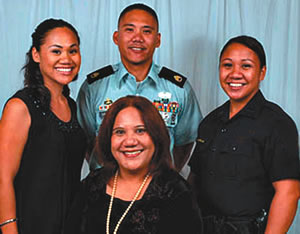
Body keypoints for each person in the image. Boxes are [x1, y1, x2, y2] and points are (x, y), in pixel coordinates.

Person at [188, 35, 300, 233]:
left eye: (246, 66)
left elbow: (288, 192)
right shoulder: (210, 122)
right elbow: (195, 179)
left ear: (262, 72)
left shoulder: (277, 124)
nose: (235, 74)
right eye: (227, 65)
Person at [77, 3, 202, 178]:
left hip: (159, 192)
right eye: (129, 30)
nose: (138, 38)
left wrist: (164, 175)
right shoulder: (94, 87)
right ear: (116, 37)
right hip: (105, 192)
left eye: (146, 31)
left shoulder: (178, 89)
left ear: (157, 40)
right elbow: (87, 141)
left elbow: (184, 142)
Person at [64, 95, 203, 234]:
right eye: (120, 132)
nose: (129, 141)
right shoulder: (91, 186)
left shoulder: (177, 193)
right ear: (108, 139)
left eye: (140, 130)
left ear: (156, 136)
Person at [0, 19, 87, 234]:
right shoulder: (20, 106)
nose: (66, 59)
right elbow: (3, 178)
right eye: (56, 51)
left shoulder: (72, 106)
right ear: (36, 55)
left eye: (72, 51)